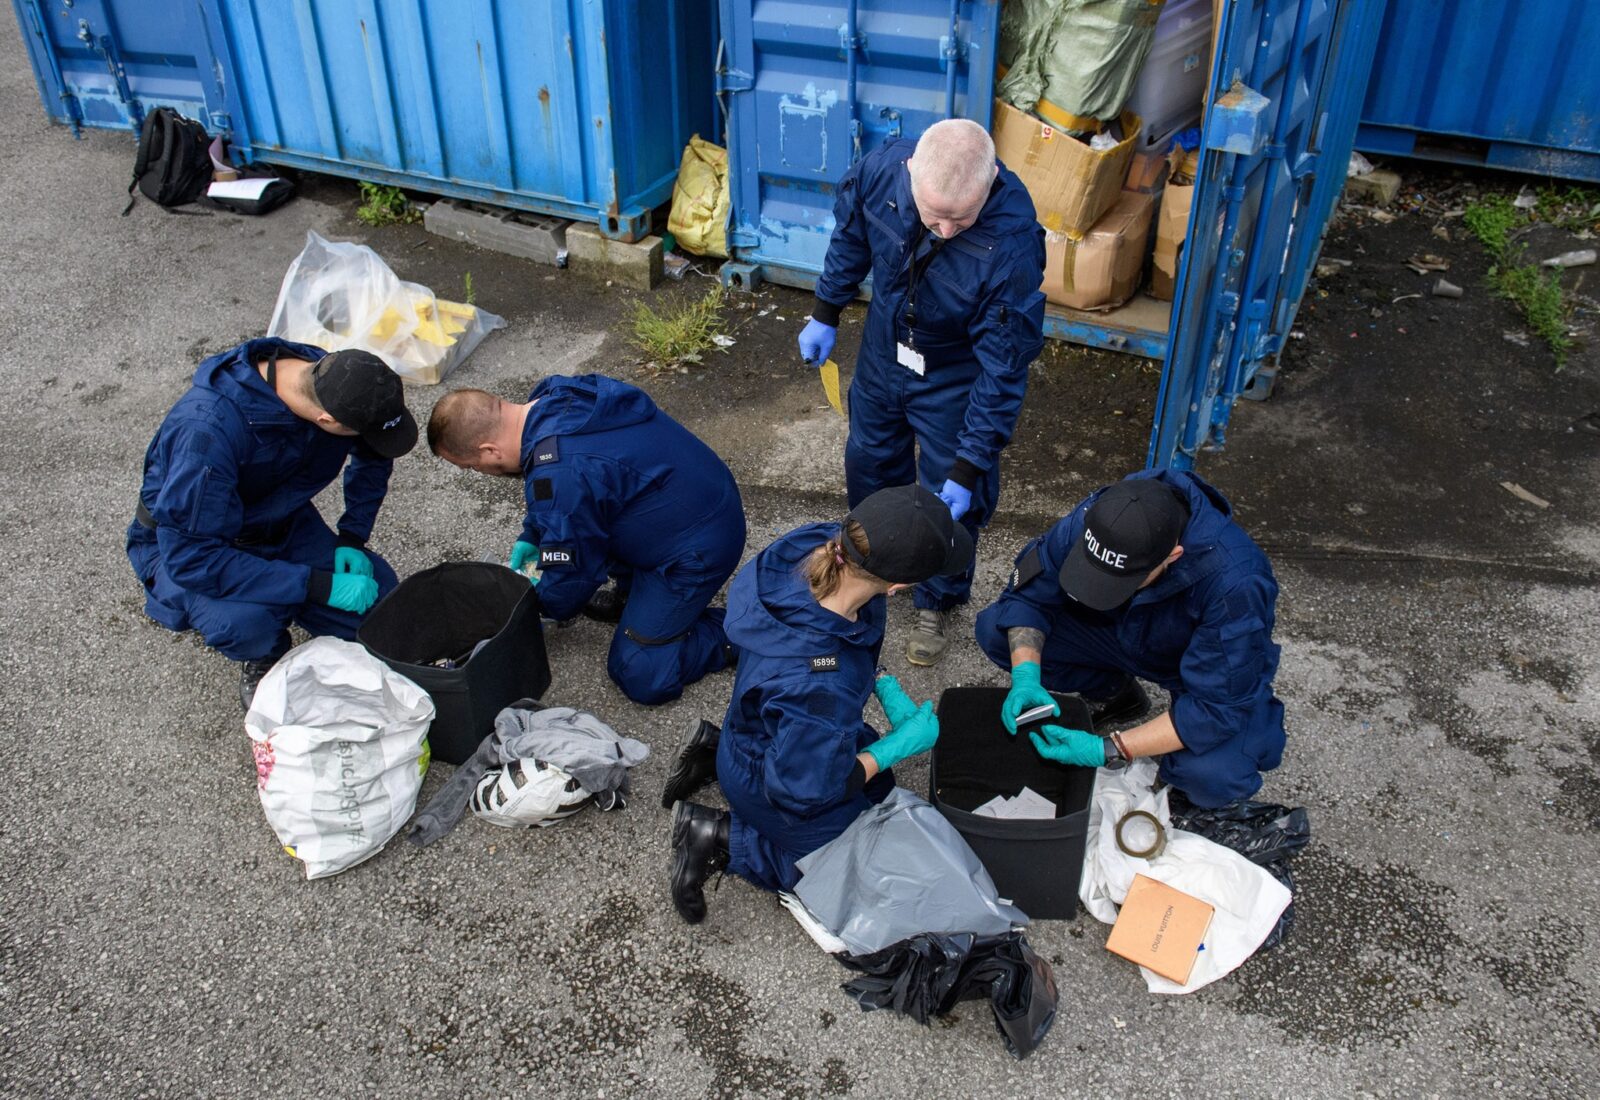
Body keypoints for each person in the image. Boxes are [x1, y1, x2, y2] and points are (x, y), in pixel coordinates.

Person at [796, 118, 1046, 667]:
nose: (947, 229)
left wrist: (968, 465)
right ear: (911, 172)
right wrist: (826, 311)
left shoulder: (1013, 247)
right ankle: (869, 569)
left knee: (951, 500)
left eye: (962, 216)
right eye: (935, 214)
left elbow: (1003, 370)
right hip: (888, 346)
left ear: (992, 180)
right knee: (869, 464)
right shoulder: (882, 171)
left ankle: (937, 596)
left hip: (954, 370)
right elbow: (850, 237)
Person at [667, 484, 974, 924]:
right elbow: (806, 793)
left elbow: (846, 645)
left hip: (763, 728)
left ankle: (717, 752)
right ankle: (716, 836)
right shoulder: (821, 686)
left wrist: (882, 683)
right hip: (779, 777)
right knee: (860, 877)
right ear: (900, 586)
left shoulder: (821, 547)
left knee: (881, 794)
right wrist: (896, 746)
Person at [127, 340, 417, 711]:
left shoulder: (335, 378)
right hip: (193, 546)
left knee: (380, 600)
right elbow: (191, 558)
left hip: (277, 518)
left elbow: (374, 457)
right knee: (248, 623)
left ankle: (291, 593)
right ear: (326, 422)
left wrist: (352, 536)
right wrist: (316, 585)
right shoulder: (205, 436)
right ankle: (266, 655)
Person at [974, 470, 1286, 809]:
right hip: (1115, 631)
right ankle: (1116, 694)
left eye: (1121, 580)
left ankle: (1184, 775)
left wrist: (1108, 748)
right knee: (997, 631)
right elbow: (1028, 599)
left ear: (1173, 556)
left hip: (1194, 662)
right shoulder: (1104, 516)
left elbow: (1218, 706)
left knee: (1213, 774)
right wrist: (1025, 677)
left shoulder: (1236, 582)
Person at [427, 373, 745, 706]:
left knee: (640, 672)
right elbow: (568, 500)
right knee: (586, 522)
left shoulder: (561, 471)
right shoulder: (557, 396)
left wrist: (529, 606)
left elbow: (570, 572)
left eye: (472, 467)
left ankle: (745, 629)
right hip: (695, 501)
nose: (479, 473)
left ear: (490, 451)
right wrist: (533, 534)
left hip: (698, 548)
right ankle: (633, 596)